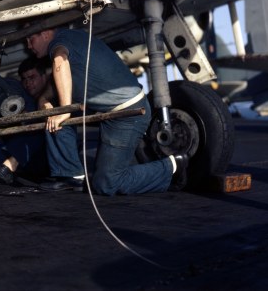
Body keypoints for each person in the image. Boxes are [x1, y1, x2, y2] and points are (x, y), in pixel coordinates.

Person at [26, 26, 188, 195]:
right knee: (54, 116)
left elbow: (60, 61)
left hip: (129, 113)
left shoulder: (58, 43)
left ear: (45, 34)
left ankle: (172, 166)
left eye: (31, 39)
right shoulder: (70, 38)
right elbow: (53, 86)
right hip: (112, 113)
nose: (28, 46)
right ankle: (70, 176)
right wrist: (44, 101)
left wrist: (65, 110)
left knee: (106, 183)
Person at [0, 57, 49, 185]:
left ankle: (7, 168)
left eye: (32, 78)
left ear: (43, 77)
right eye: (25, 79)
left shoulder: (52, 95)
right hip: (23, 160)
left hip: (45, 159)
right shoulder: (21, 94)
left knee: (39, 127)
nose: (28, 83)